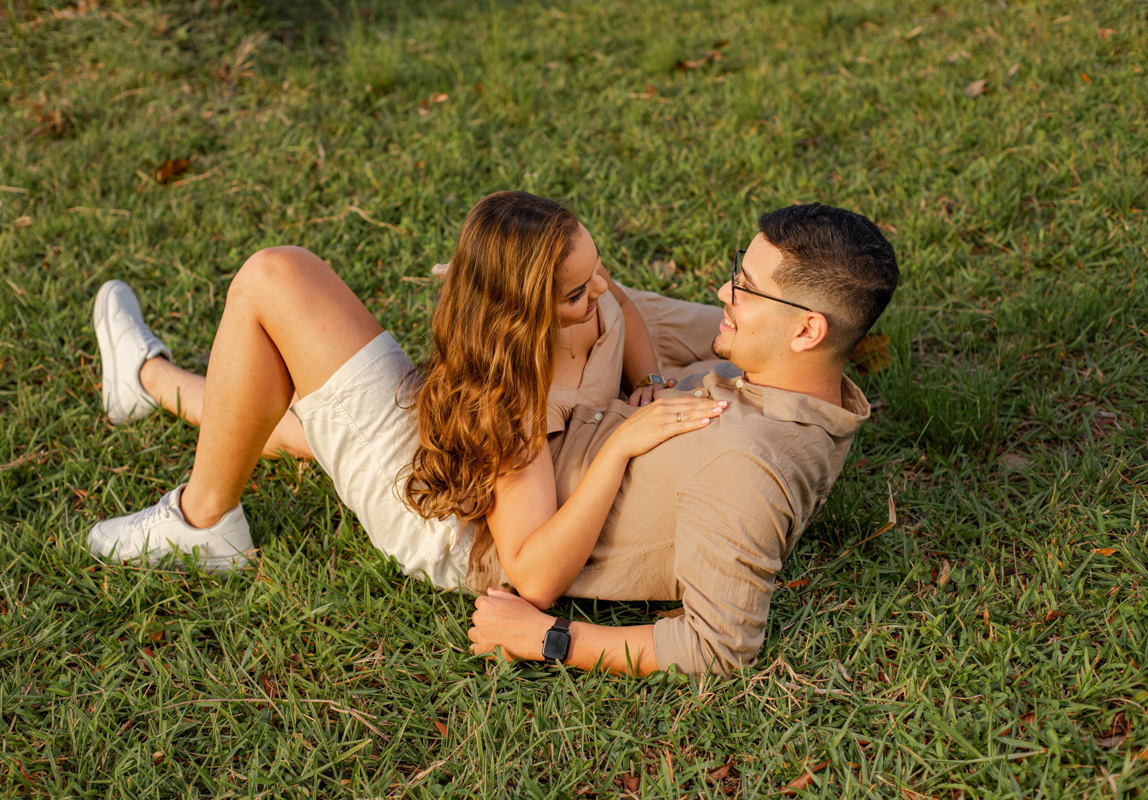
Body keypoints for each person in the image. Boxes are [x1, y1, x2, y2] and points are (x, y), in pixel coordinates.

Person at [88, 191, 726, 599]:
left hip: (462, 515)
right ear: (519, 312)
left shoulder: (578, 294)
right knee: (273, 279)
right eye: (575, 292)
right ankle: (204, 519)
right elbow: (532, 573)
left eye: (593, 274)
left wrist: (648, 383)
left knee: (300, 389)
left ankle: (148, 380)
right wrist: (620, 442)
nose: (599, 294)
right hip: (440, 515)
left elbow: (623, 308)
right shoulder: (510, 406)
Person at [466, 202, 900, 675]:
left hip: (498, 488)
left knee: (374, 349)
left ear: (806, 330)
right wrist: (651, 379)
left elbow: (718, 647)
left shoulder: (744, 468)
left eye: (747, 289)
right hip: (594, 400)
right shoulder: (797, 384)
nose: (723, 291)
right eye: (739, 272)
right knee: (557, 277)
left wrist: (546, 638)